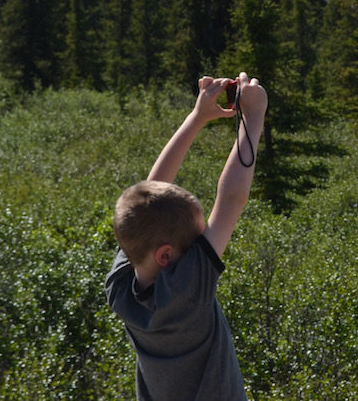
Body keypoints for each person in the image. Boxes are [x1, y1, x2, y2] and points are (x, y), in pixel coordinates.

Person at [105, 72, 267, 401]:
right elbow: (231, 200)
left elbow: (149, 195)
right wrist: (253, 116)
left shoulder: (120, 286)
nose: (205, 243)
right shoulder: (186, 292)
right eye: (198, 240)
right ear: (166, 256)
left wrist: (197, 117)